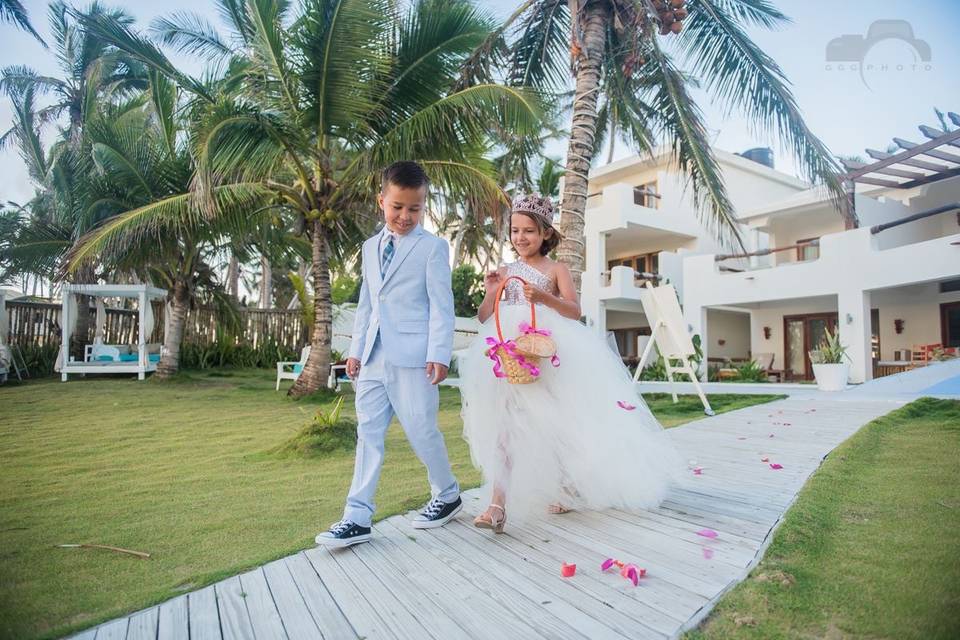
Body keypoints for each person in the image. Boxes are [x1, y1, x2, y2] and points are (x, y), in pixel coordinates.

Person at [461, 194, 683, 533]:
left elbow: (574, 311)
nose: (521, 238)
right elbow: (483, 316)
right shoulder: (505, 272)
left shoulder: (556, 269)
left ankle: (565, 484)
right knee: (504, 428)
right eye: (515, 231)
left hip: (546, 349)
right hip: (508, 351)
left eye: (529, 232)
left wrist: (545, 297)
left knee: (555, 422)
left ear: (546, 234)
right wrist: (492, 291)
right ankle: (496, 505)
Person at [316, 161, 461, 548]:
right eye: (397, 207)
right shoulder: (369, 248)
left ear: (424, 207)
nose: (405, 216)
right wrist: (355, 350)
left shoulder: (432, 248)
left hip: (415, 357)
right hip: (373, 359)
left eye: (414, 209)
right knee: (368, 434)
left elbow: (441, 306)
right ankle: (357, 516)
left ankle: (447, 494)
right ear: (382, 201)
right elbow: (368, 303)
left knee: (421, 430)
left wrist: (439, 354)